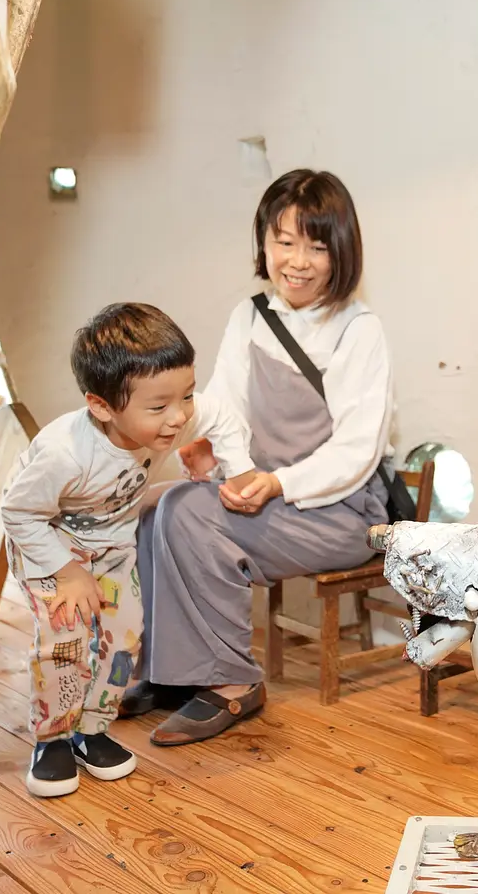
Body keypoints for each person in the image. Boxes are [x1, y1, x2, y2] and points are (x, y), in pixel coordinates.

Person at [122, 168, 396, 746]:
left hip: (342, 512)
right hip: (271, 494)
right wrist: (205, 446)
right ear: (264, 243)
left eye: (317, 246)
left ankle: (230, 682)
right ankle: (168, 673)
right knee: (158, 510)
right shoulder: (251, 315)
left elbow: (357, 450)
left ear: (340, 251)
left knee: (189, 515)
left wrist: (275, 482)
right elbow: (224, 405)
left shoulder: (359, 330)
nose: (297, 260)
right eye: (284, 241)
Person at [1, 302, 245, 798]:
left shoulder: (170, 417)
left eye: (186, 397)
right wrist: (67, 572)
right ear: (101, 406)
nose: (179, 418)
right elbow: (19, 513)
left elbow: (219, 414)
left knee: (124, 638)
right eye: (159, 407)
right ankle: (52, 740)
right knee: (64, 642)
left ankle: (91, 728)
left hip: (112, 546)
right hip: (50, 545)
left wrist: (237, 468)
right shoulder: (63, 453)